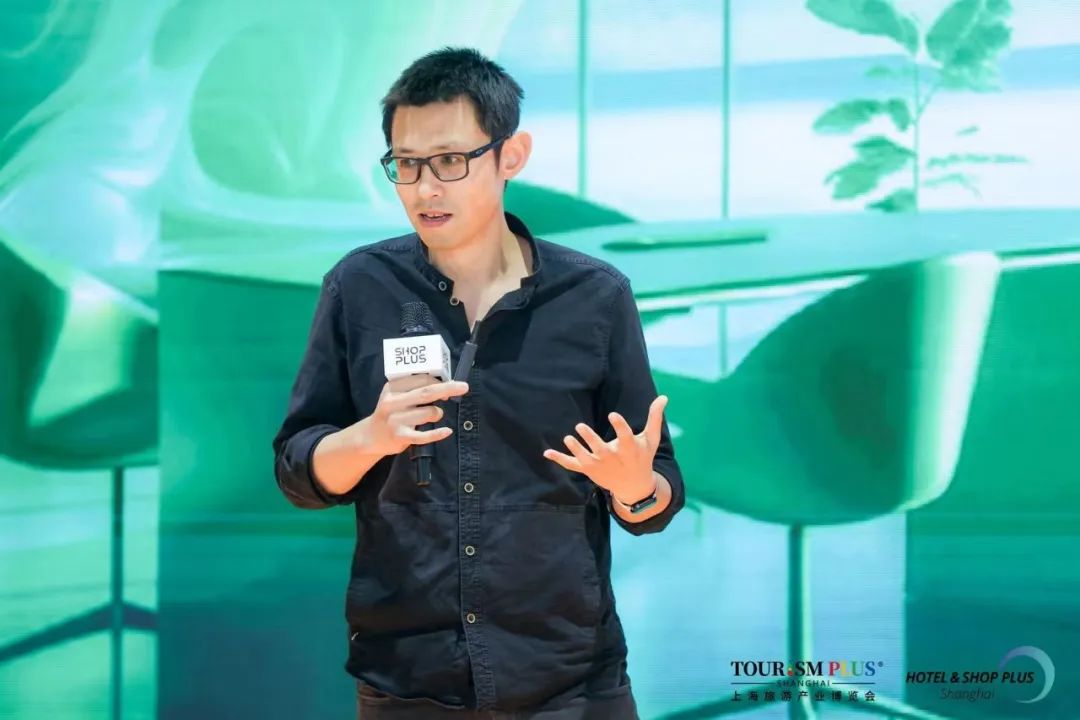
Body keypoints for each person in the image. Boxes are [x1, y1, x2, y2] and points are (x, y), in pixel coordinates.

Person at [272, 47, 685, 719]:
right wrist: (370, 438)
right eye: (406, 164)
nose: (424, 189)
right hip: (408, 679)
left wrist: (635, 486)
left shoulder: (595, 297)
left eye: (449, 161)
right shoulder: (360, 287)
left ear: (510, 156)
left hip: (570, 681)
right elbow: (297, 470)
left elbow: (657, 491)